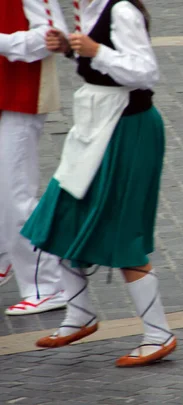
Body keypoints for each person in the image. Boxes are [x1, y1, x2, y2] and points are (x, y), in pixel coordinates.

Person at [20, 0, 176, 367]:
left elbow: (144, 72)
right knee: (59, 214)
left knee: (122, 232)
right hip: (95, 125)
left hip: (127, 130)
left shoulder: (121, 11)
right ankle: (80, 314)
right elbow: (99, 68)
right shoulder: (87, 9)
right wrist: (73, 52)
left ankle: (158, 333)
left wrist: (96, 51)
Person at [0, 0, 67, 314]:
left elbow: (53, 36)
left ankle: (48, 284)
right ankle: (4, 257)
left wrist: (3, 42)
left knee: (16, 193)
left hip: (20, 93)